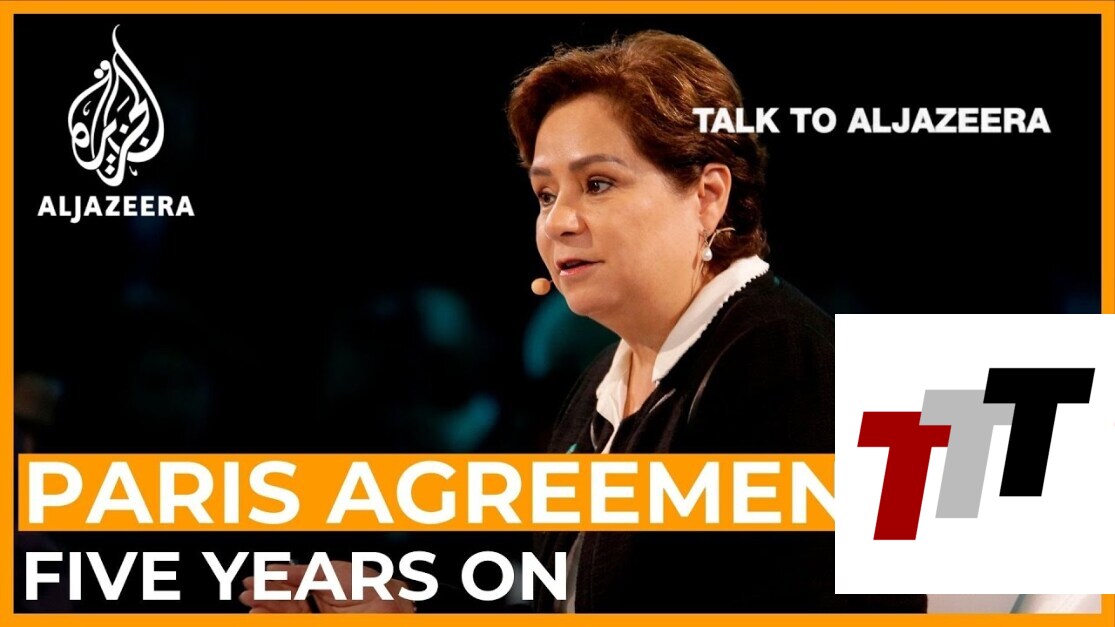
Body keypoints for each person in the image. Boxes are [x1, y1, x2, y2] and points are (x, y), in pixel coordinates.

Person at [239, 29, 926, 614]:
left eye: (598, 183)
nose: (559, 221)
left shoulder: (786, 368)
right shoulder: (600, 386)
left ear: (707, 195)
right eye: (545, 193)